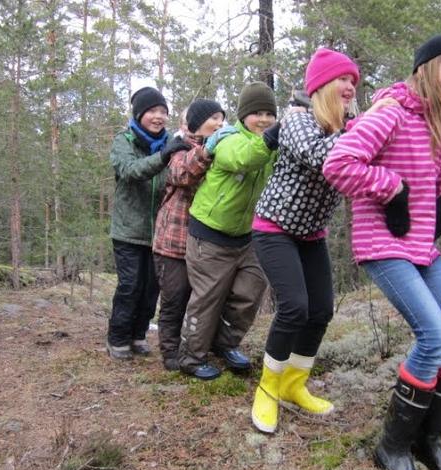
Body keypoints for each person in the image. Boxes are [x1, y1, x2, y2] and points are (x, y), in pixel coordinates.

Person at [323, 35, 441, 470]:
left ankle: (429, 441)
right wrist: (392, 188)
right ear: (425, 66)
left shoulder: (438, 126)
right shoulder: (390, 113)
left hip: (423, 247)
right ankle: (393, 446)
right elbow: (339, 163)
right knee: (434, 336)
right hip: (383, 244)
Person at [248, 48, 361, 433]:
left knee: (321, 310)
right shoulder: (298, 120)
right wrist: (364, 134)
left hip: (311, 234)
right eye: (342, 79)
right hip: (274, 229)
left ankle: (294, 385)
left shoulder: (352, 124)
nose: (349, 86)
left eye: (353, 81)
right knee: (294, 307)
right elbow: (321, 156)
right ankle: (267, 388)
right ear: (322, 84)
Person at [177, 82, 280, 380]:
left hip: (247, 236)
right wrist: (273, 137)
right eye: (257, 113)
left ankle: (225, 344)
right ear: (243, 115)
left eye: (269, 114)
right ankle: (191, 357)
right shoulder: (229, 138)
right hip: (209, 235)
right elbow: (245, 159)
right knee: (208, 298)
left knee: (250, 293)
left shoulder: (270, 143)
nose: (263, 119)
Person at [107, 87, 189, 361]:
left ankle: (138, 335)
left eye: (163, 112)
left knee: (151, 288)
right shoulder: (124, 141)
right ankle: (118, 338)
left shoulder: (171, 142)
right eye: (152, 111)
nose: (158, 117)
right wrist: (164, 155)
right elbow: (131, 171)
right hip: (128, 231)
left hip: (160, 233)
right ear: (140, 114)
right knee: (130, 286)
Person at [152, 99, 225, 371]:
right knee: (175, 297)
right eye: (211, 118)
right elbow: (182, 174)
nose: (218, 123)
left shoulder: (222, 148)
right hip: (174, 241)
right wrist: (208, 150)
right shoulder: (179, 148)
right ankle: (170, 352)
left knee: (204, 300)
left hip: (208, 243)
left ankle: (199, 346)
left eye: (221, 118)